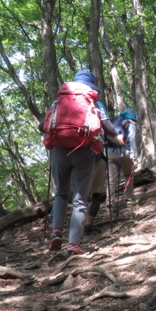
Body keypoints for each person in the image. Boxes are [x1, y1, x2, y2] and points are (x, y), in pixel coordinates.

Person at [44, 69, 124, 255]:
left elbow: (43, 125)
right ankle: (73, 245)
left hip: (58, 151)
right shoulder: (94, 102)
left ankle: (56, 232)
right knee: (80, 199)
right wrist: (117, 137)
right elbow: (108, 129)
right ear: (91, 85)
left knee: (61, 194)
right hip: (84, 152)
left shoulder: (58, 100)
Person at [85, 108, 139, 232]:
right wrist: (133, 156)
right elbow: (132, 139)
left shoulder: (114, 121)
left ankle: (110, 200)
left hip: (109, 152)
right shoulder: (130, 123)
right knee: (128, 174)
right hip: (123, 151)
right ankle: (129, 198)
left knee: (111, 178)